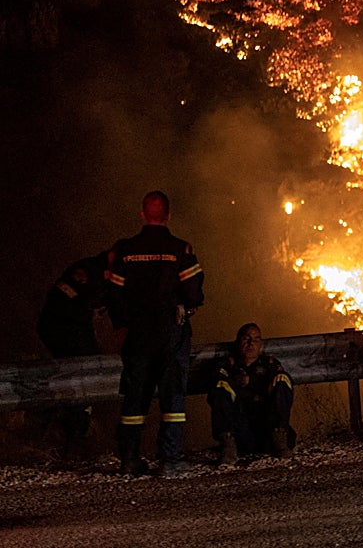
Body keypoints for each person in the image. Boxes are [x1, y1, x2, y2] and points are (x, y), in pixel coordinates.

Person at [105, 191, 204, 477]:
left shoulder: (125, 250)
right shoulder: (180, 249)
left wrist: (121, 326)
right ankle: (169, 461)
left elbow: (114, 293)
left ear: (142, 214)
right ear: (169, 215)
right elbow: (194, 290)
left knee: (135, 396)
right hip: (170, 329)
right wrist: (187, 305)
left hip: (137, 332)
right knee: (172, 394)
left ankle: (130, 459)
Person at [37, 252, 105, 460]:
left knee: (81, 385)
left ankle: (71, 438)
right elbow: (64, 304)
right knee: (80, 384)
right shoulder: (89, 272)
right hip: (64, 332)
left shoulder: (95, 271)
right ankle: (71, 441)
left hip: (69, 331)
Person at [208, 323, 295, 464]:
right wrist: (237, 384)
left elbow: (281, 388)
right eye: (246, 339)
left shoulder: (269, 364)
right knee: (220, 385)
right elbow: (216, 387)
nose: (251, 344)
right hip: (240, 428)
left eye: (256, 339)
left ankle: (280, 438)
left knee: (283, 378)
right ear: (238, 341)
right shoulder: (227, 365)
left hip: (266, 425)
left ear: (261, 344)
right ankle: (228, 445)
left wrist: (252, 382)